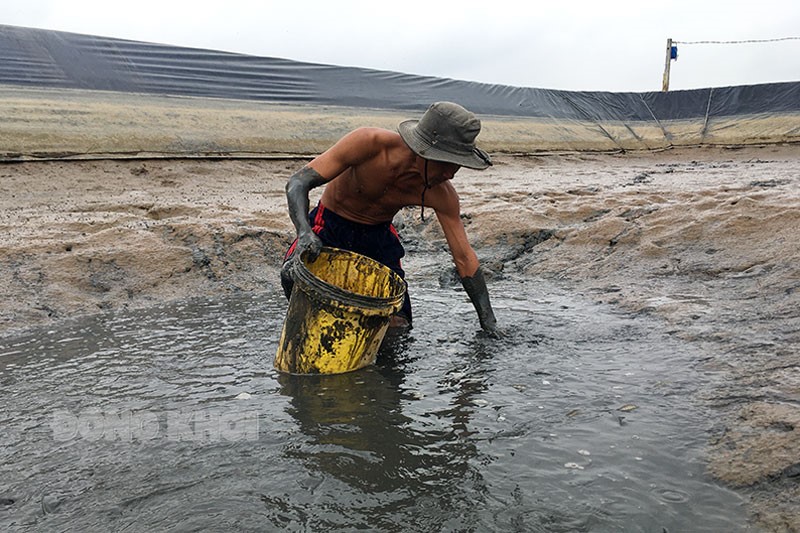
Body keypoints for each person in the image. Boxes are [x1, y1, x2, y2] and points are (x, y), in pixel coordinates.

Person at [281, 101, 499, 337]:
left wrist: (489, 323)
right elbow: (298, 182)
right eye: (446, 163)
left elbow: (464, 257)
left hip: (379, 238)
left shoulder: (442, 194)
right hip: (330, 226)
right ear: (423, 151)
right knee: (296, 281)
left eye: (457, 165)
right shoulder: (368, 144)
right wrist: (304, 232)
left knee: (397, 327)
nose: (451, 174)